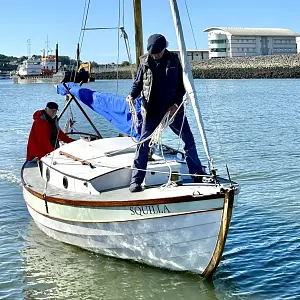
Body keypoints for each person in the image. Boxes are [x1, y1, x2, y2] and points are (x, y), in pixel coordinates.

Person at [126, 33, 206, 193]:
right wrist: (131, 95)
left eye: (158, 52)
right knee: (143, 143)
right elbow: (138, 83)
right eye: (153, 53)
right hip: (152, 110)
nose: (156, 55)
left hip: (173, 109)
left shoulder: (174, 61)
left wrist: (176, 104)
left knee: (188, 139)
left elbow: (183, 86)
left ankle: (197, 174)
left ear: (164, 48)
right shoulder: (144, 61)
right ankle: (136, 180)